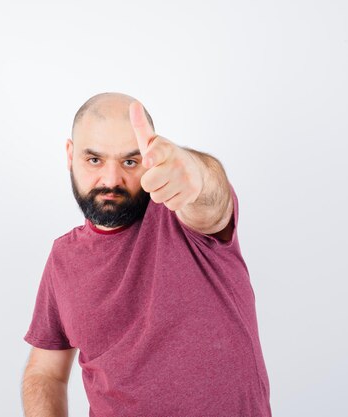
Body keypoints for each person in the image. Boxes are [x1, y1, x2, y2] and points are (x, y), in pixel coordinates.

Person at [20, 92, 272, 417]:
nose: (111, 180)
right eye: (94, 160)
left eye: (130, 161)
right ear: (70, 155)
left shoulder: (181, 212)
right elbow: (46, 372)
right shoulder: (62, 257)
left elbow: (212, 202)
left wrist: (195, 174)